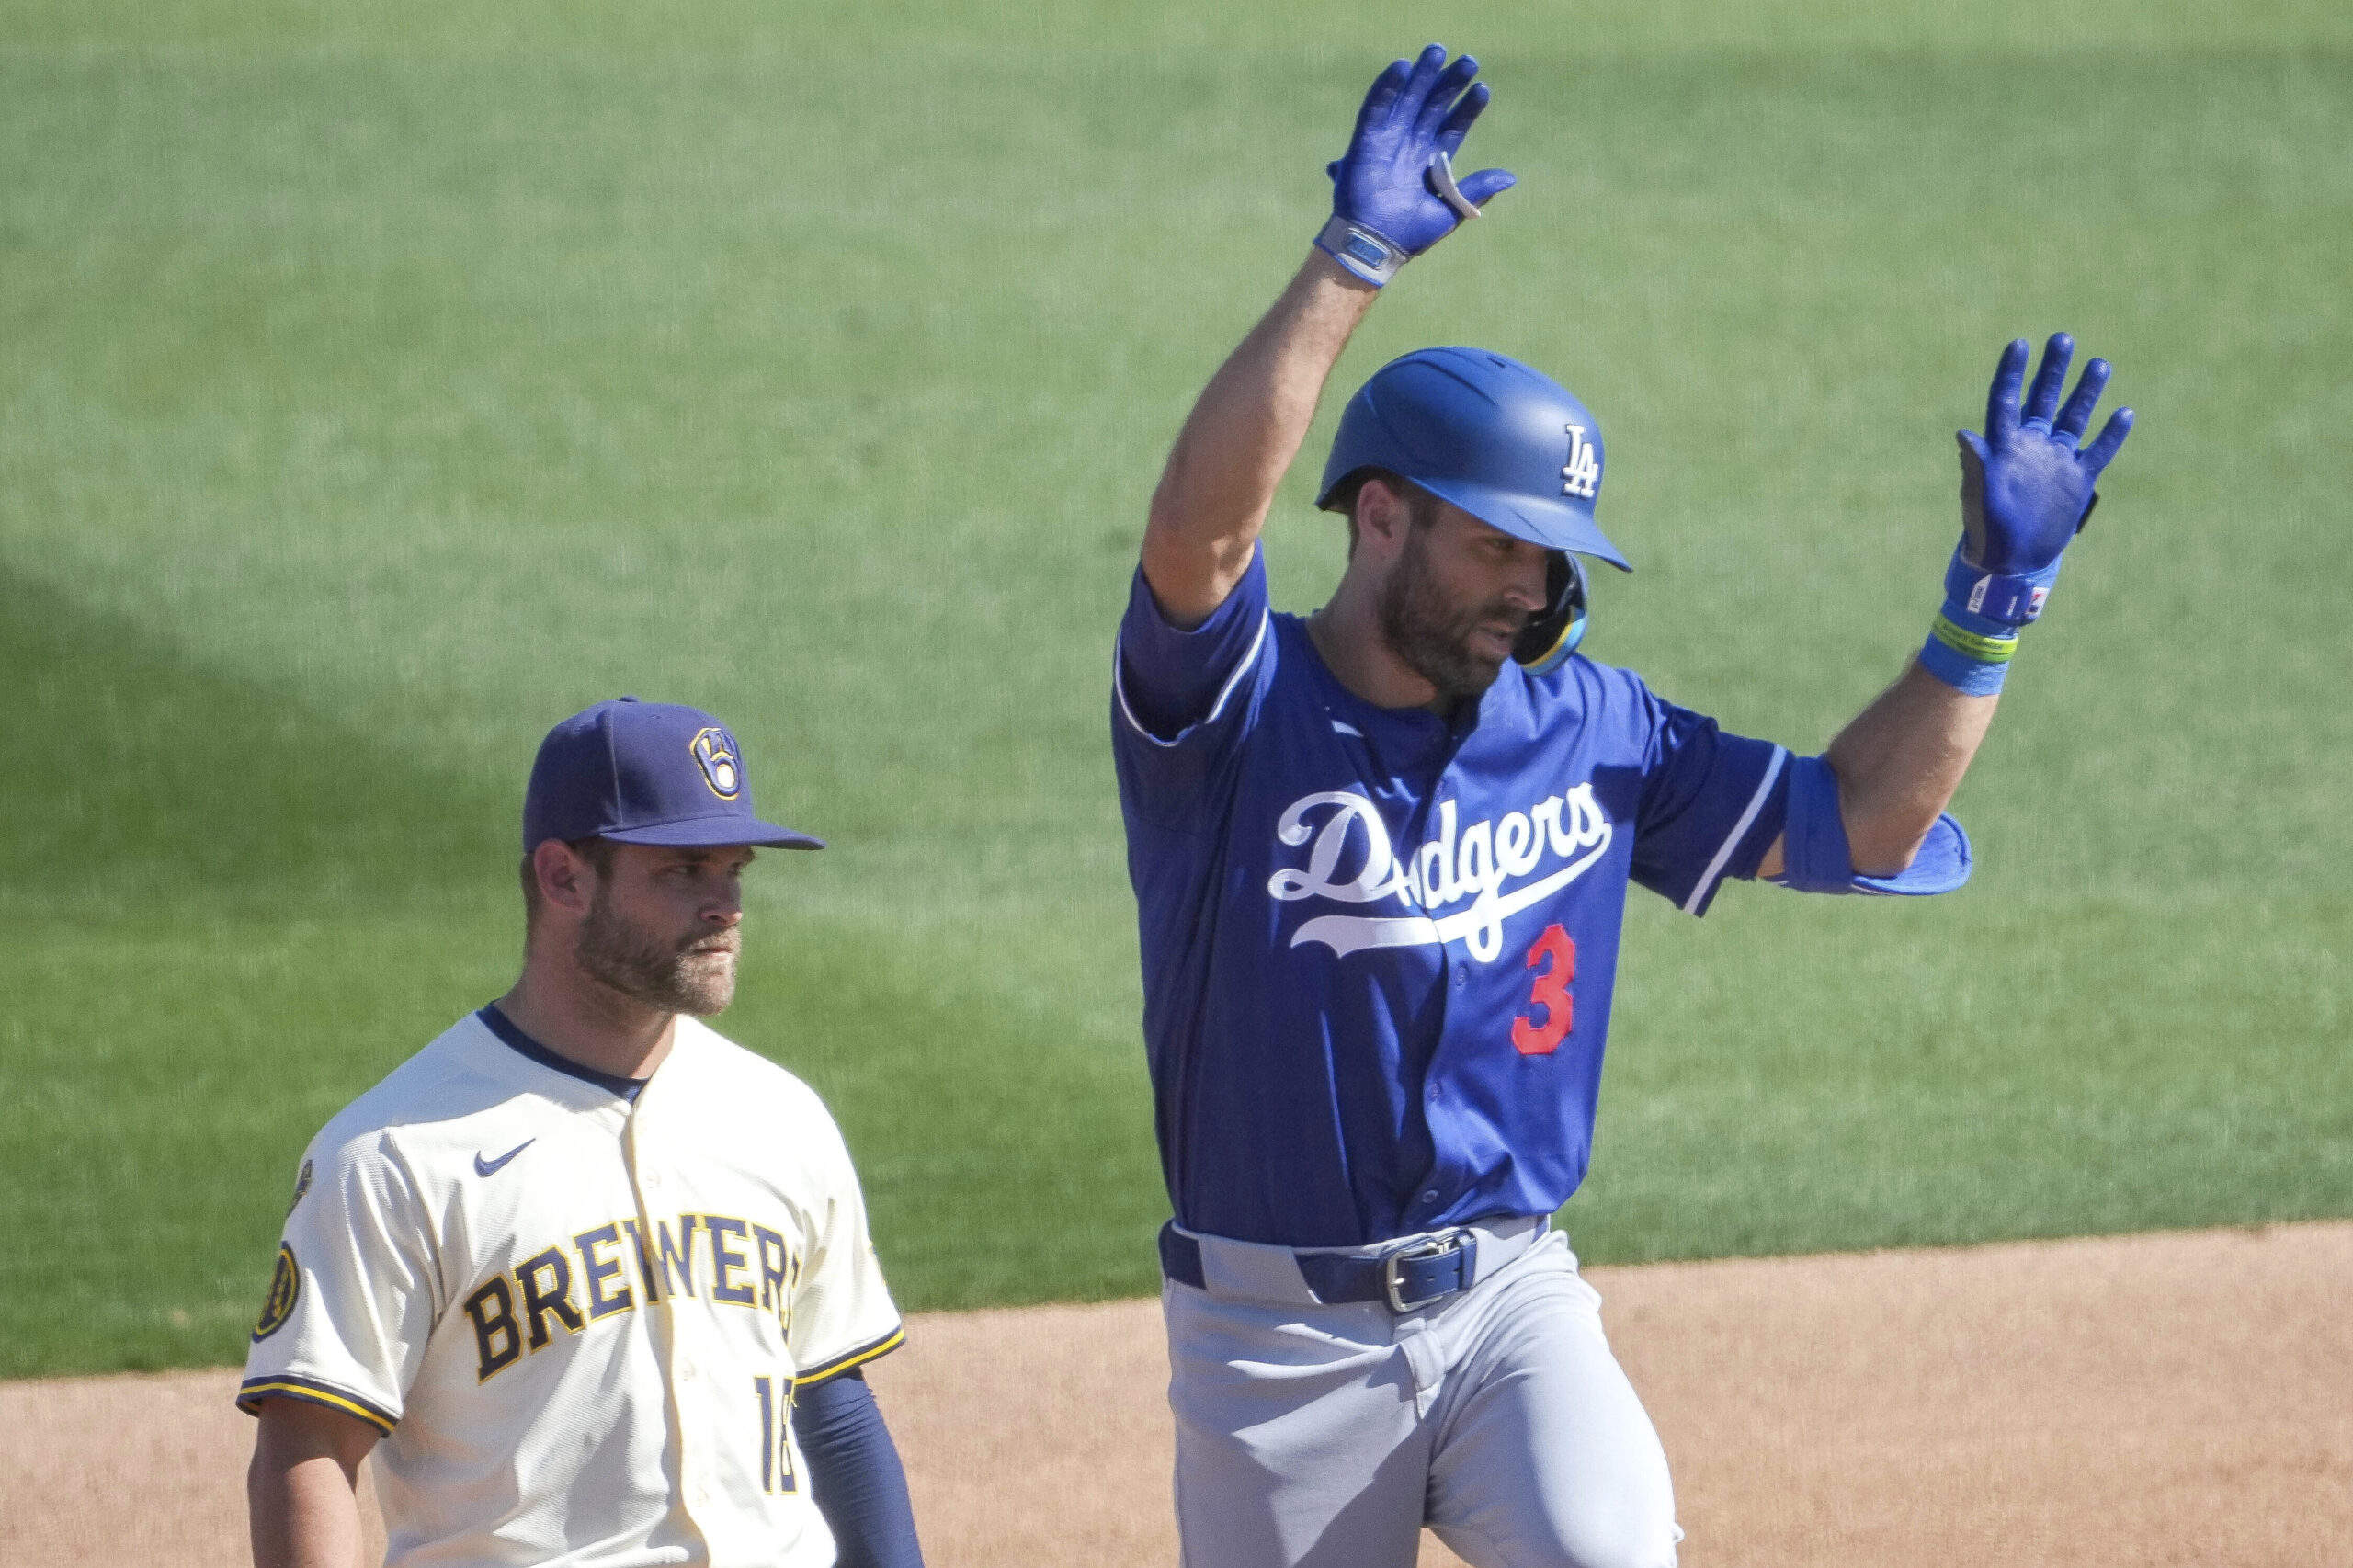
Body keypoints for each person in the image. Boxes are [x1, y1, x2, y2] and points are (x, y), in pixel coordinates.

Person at [1109, 45, 2131, 1568]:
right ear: (1377, 514)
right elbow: (1200, 530)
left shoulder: (1591, 728)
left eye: (1551, 556)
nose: (1532, 585)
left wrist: (1992, 606)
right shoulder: (1231, 713)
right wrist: (1353, 259)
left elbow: (1868, 826)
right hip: (1274, 1343)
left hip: (1513, 1299)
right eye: (1495, 547)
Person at [241, 697, 926, 1568]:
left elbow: (831, 1404)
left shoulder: (781, 1115)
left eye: (735, 871)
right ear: (564, 877)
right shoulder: (392, 1155)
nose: (725, 907)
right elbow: (307, 1453)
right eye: (683, 872)